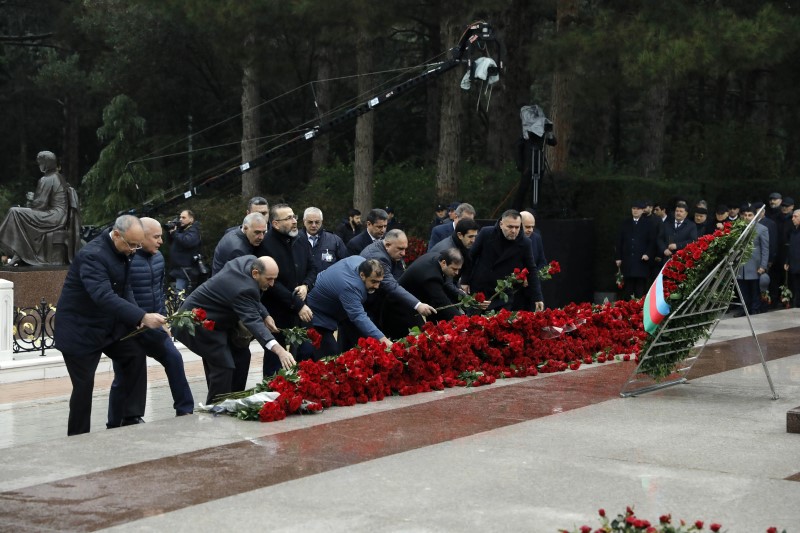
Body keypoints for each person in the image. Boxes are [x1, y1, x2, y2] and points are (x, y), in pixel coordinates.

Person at [54, 215, 166, 435]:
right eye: (131, 244)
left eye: (138, 245)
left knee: (134, 354)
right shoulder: (92, 255)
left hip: (109, 327)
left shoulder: (124, 251)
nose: (134, 250)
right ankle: (77, 438)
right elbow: (103, 296)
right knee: (83, 387)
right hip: (80, 330)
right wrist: (142, 316)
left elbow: (125, 290)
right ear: (116, 235)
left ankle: (130, 417)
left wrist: (137, 319)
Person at [107, 218, 193, 426]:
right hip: (129, 327)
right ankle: (118, 421)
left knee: (174, 358)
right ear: (141, 238)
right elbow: (122, 294)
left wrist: (163, 320)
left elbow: (158, 291)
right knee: (125, 376)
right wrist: (137, 318)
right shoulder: (126, 258)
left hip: (154, 325)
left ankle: (185, 410)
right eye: (156, 237)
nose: (161, 241)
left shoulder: (158, 258)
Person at [175, 255, 295, 403]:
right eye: (269, 279)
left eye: (274, 279)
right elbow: (253, 321)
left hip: (216, 323)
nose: (272, 284)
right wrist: (280, 351)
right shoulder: (243, 288)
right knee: (223, 366)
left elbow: (252, 298)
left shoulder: (249, 261)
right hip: (195, 324)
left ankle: (232, 403)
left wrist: (265, 314)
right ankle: (215, 409)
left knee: (241, 357)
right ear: (255, 273)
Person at [258, 203, 315, 377]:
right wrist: (297, 304)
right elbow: (271, 284)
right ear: (275, 224)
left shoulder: (301, 239)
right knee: (276, 359)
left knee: (306, 351)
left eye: (294, 216)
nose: (294, 221)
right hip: (277, 310)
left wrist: (306, 285)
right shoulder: (265, 244)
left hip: (302, 309)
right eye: (288, 218)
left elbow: (312, 268)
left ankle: (302, 386)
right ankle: (272, 390)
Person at [305, 256, 390, 358]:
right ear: (362, 275)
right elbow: (358, 316)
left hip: (334, 305)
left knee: (358, 344)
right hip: (315, 312)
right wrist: (383, 340)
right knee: (329, 355)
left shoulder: (359, 260)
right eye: (373, 281)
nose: (377, 286)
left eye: (379, 281)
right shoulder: (350, 286)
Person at [0, 150, 75, 266]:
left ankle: (18, 253)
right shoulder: (58, 177)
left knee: (14, 212)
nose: (39, 165)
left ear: (46, 163)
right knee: (18, 214)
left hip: (53, 216)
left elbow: (40, 205)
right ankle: (19, 254)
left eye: (40, 163)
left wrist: (31, 200)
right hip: (58, 216)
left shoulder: (47, 179)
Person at [463, 209, 543, 312]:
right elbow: (471, 257)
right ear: (501, 224)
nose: (513, 231)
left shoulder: (525, 243)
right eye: (510, 227)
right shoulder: (486, 233)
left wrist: (537, 297)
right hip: (480, 290)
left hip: (503, 294)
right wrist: (465, 281)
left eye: (517, 227)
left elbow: (531, 270)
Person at [360, 229, 437, 332]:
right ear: (388, 245)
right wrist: (417, 304)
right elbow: (391, 285)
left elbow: (399, 278)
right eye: (400, 249)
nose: (404, 253)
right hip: (370, 304)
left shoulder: (390, 251)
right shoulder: (379, 258)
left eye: (405, 249)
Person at [382, 248, 468, 339]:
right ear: (443, 263)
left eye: (459, 269)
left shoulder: (437, 258)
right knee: (417, 339)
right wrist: (463, 322)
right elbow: (442, 302)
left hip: (410, 304)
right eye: (454, 269)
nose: (457, 273)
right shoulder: (431, 277)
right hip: (399, 308)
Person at [615, 201, 654, 299]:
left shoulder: (648, 224)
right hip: (628, 261)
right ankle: (626, 307)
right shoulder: (625, 223)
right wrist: (618, 257)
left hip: (641, 261)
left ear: (642, 210)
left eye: (638, 209)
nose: (635, 211)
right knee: (627, 289)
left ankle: (639, 307)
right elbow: (619, 241)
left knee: (640, 289)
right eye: (633, 208)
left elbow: (652, 241)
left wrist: (647, 254)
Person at [430, 217, 480, 290]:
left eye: (475, 236)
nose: (473, 240)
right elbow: (448, 284)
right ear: (460, 235)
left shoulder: (459, 245)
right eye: (470, 236)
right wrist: (465, 295)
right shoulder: (448, 251)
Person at [736, 206, 769, 316]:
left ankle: (755, 309)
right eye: (745, 215)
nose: (747, 217)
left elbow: (765, 249)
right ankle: (744, 309)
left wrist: (763, 265)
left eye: (750, 215)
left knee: (755, 289)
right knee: (742, 289)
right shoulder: (738, 227)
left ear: (755, 216)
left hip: (755, 264)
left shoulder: (762, 229)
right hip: (741, 264)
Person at [301, 206, 349, 273]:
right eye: (310, 222)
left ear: (321, 221)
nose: (314, 225)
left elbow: (345, 265)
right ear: (304, 221)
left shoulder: (335, 241)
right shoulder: (295, 240)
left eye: (317, 222)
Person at [168, 209, 203, 292]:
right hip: (179, 270)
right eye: (180, 217)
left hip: (186, 272)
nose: (180, 219)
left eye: (184, 217)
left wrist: (175, 233)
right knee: (178, 294)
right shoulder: (181, 230)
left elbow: (188, 242)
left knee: (181, 295)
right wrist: (170, 231)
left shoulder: (194, 230)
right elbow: (170, 242)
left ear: (191, 219)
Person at [785, 209, 800, 307]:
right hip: (794, 265)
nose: (793, 219)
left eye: (796, 216)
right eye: (793, 216)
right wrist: (787, 261)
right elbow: (791, 248)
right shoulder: (793, 232)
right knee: (796, 289)